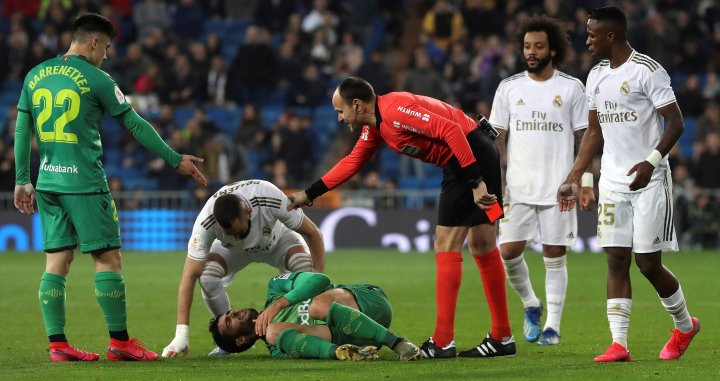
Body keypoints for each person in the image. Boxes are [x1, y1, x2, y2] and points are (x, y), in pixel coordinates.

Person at [13, 13, 207, 362]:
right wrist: (175, 158)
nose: (106, 56)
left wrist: (22, 180)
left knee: (56, 263)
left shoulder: (34, 74)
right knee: (109, 260)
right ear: (94, 42)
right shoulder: (97, 78)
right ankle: (120, 342)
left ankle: (58, 345)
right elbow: (134, 123)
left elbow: (21, 130)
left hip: (48, 183)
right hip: (84, 183)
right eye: (106, 48)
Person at [288, 77, 515, 358]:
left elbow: (451, 130)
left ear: (357, 105)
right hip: (477, 153)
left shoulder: (394, 111)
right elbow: (353, 161)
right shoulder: (377, 126)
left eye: (340, 111)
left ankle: (443, 342)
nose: (339, 118)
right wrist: (309, 194)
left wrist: (475, 182)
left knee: (445, 244)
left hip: (468, 157)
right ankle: (502, 337)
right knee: (482, 243)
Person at [557, 6, 700, 362]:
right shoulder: (596, 76)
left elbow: (676, 122)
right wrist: (578, 176)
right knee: (616, 260)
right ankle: (619, 344)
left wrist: (652, 163)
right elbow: (593, 131)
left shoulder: (648, 71)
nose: (586, 40)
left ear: (611, 36)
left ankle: (685, 326)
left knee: (648, 264)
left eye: (591, 35)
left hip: (650, 181)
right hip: (614, 182)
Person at [490, 16, 593, 346]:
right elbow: (496, 139)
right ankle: (531, 304)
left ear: (553, 50)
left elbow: (586, 139)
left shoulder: (571, 88)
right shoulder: (509, 88)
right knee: (507, 252)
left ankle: (553, 325)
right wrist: (494, 183)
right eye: (526, 47)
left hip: (559, 189)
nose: (531, 52)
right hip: (518, 188)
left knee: (554, 253)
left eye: (538, 47)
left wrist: (585, 180)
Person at [162, 179, 325, 358]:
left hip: (278, 241)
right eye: (230, 233)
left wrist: (317, 285)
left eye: (239, 232)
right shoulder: (206, 222)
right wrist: (181, 335)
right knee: (207, 276)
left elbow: (314, 233)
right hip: (233, 251)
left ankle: (309, 328)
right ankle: (229, 340)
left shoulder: (268, 196)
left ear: (249, 213)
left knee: (303, 266)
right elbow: (189, 275)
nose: (237, 237)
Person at [208, 271, 421, 361]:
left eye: (229, 312)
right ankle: (344, 354)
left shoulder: (275, 288)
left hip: (369, 302)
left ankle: (398, 343)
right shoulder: (278, 349)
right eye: (229, 320)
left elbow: (320, 280)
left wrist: (278, 306)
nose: (233, 312)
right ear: (241, 340)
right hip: (361, 339)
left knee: (316, 306)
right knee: (273, 332)